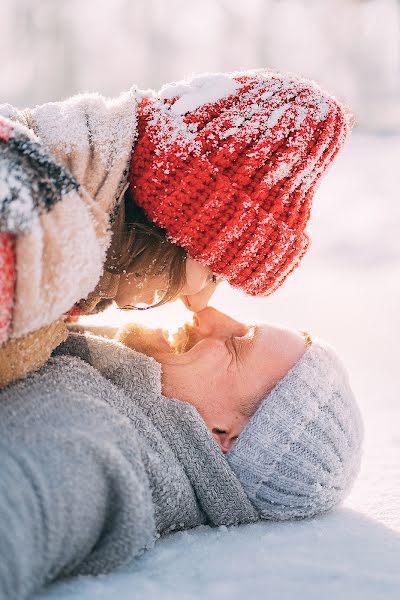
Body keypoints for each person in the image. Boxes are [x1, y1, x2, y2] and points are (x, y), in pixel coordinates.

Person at [0, 69, 352, 388]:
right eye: (214, 274)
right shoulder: (19, 227)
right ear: (166, 219)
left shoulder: (47, 235)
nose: (198, 303)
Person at [0, 307, 363, 599]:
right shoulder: (125, 387)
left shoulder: (100, 445)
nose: (207, 313)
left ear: (222, 434)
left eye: (236, 344)